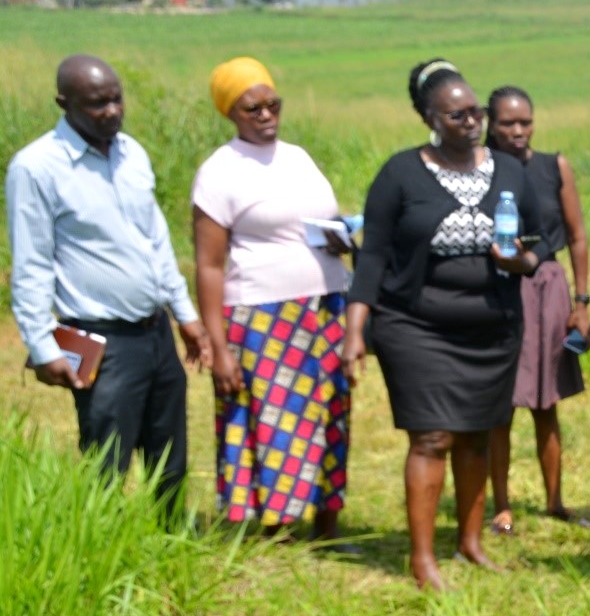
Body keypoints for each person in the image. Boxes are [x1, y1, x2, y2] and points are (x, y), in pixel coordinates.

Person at [342, 58, 548, 590]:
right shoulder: (401, 173)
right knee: (432, 437)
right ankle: (423, 558)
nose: (470, 122)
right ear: (430, 119)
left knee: (477, 436)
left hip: (492, 326)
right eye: (455, 115)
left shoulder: (508, 172)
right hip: (415, 325)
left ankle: (471, 543)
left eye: (474, 112)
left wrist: (520, 263)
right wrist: (354, 330)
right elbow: (374, 257)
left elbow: (538, 241)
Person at [7, 54, 210, 523]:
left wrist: (185, 315)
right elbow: (32, 263)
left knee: (169, 452)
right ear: (64, 103)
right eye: (98, 104)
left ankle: (171, 539)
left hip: (155, 331)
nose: (113, 111)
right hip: (98, 338)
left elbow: (155, 240)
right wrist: (41, 346)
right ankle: (102, 552)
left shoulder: (131, 153)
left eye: (117, 99)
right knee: (106, 454)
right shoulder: (37, 168)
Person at [192, 56, 353, 544]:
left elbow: (316, 219)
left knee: (329, 413)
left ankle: (326, 521)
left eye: (272, 104)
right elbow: (209, 266)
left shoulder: (299, 157)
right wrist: (217, 348)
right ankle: (273, 527)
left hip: (324, 308)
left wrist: (341, 237)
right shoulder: (220, 173)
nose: (265, 116)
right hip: (261, 317)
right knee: (271, 419)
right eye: (251, 108)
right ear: (230, 113)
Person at [483, 85, 590, 534]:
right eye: (507, 122)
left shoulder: (553, 167)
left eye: (524, 121)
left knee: (547, 403)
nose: (517, 131)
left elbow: (578, 236)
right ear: (490, 124)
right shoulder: (482, 169)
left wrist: (582, 303)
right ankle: (502, 506)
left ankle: (555, 501)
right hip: (497, 290)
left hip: (547, 288)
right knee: (500, 405)